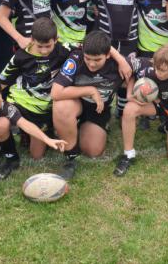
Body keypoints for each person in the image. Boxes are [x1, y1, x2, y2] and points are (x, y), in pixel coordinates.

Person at [113, 43, 168, 177]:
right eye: (156, 67)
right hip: (158, 105)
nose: (157, 72)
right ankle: (128, 154)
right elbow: (130, 68)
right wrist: (129, 93)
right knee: (130, 109)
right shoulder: (147, 65)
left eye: (162, 70)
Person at [51, 31, 128, 180]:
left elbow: (145, 71)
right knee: (61, 106)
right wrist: (91, 90)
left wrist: (123, 61)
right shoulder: (76, 58)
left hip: (98, 109)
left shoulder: (119, 64)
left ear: (108, 55)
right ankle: (70, 156)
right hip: (76, 103)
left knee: (92, 151)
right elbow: (55, 93)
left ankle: (81, 128)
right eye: (88, 58)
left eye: (97, 59)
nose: (92, 64)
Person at [0, 18, 72, 159]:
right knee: (0, 123)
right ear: (32, 39)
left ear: (56, 39)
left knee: (37, 155)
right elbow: (1, 82)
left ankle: (39, 131)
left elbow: (86, 49)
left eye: (48, 46)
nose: (44, 51)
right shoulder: (20, 56)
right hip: (19, 102)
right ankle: (9, 153)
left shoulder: (64, 50)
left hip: (43, 108)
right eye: (39, 46)